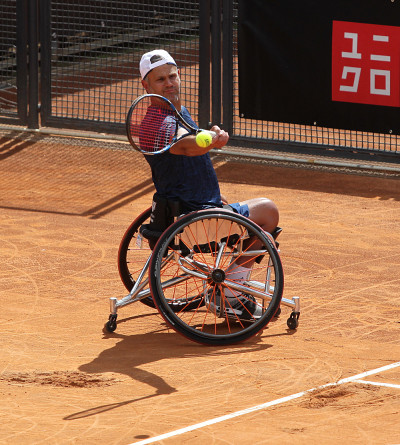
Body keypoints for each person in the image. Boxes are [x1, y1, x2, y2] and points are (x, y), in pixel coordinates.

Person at [139, 49, 280, 320]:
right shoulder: (161, 123)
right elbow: (184, 145)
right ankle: (230, 291)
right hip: (197, 222)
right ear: (145, 85)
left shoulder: (176, 113)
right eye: (160, 80)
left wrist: (210, 140)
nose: (169, 83)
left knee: (236, 203)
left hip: (182, 213)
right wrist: (212, 139)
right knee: (269, 212)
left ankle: (232, 288)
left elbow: (186, 157)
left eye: (172, 76)